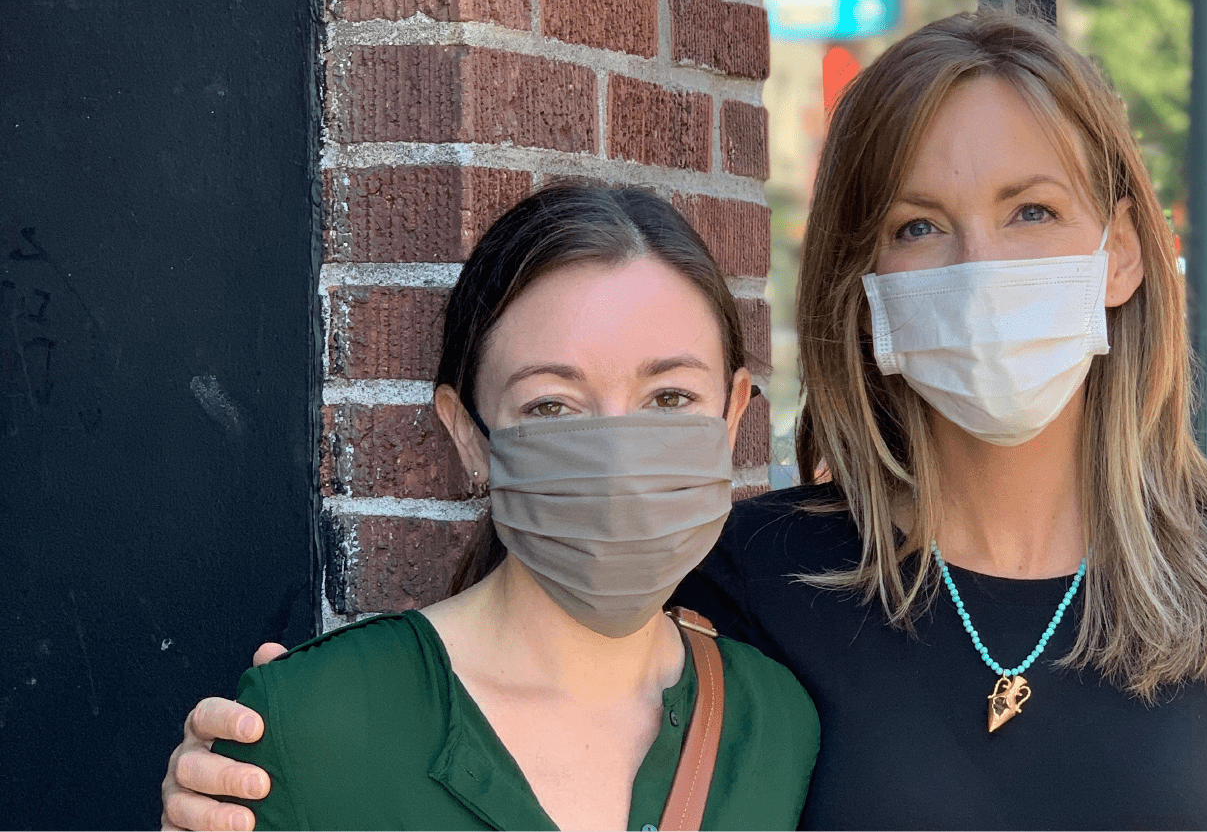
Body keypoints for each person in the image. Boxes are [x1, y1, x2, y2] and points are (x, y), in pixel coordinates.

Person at [163, 12, 1207, 832]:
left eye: (1034, 210)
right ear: (863, 282)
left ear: (1122, 254)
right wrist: (296, 746)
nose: (979, 263)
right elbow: (544, 706)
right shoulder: (755, 573)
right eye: (917, 226)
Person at [179, 184, 819, 832]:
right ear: (467, 434)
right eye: (550, 406)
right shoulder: (305, 725)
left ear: (732, 414)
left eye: (671, 397)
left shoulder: (777, 721)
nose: (619, 460)